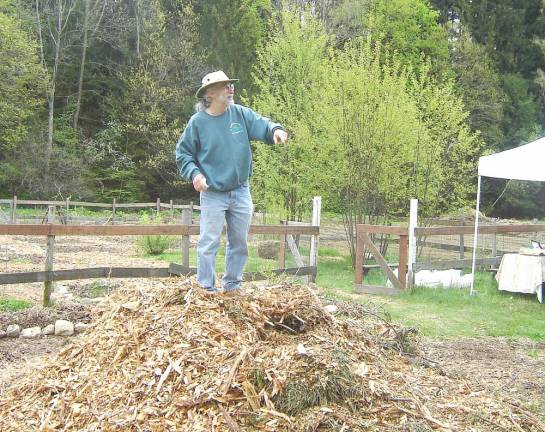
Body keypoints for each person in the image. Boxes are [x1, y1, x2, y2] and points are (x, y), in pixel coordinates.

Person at [176, 71, 288, 294]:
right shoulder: (197, 123)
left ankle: (232, 286)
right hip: (213, 193)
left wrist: (275, 130)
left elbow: (263, 124)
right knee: (209, 242)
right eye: (225, 86)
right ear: (210, 93)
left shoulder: (240, 114)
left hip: (240, 190)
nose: (231, 89)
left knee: (239, 243)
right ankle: (206, 288)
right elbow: (183, 154)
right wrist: (195, 175)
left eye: (230, 85)